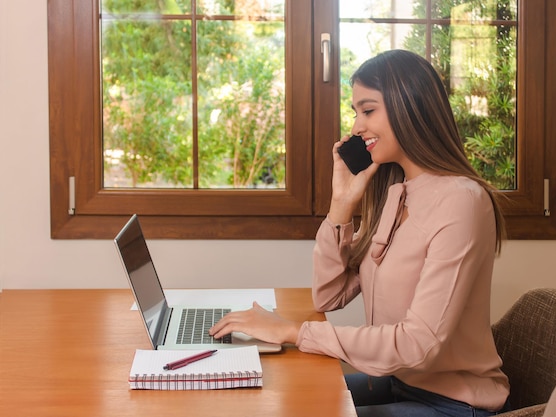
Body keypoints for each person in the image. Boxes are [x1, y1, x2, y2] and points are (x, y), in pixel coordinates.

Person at [210, 49, 510, 416]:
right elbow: (328, 296)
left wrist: (292, 332)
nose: (355, 127)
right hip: (401, 383)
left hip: (456, 403)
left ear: (409, 107)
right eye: (355, 112)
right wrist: (341, 207)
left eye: (368, 110)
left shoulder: (461, 201)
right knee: (282, 397)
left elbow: (420, 342)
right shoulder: (395, 190)